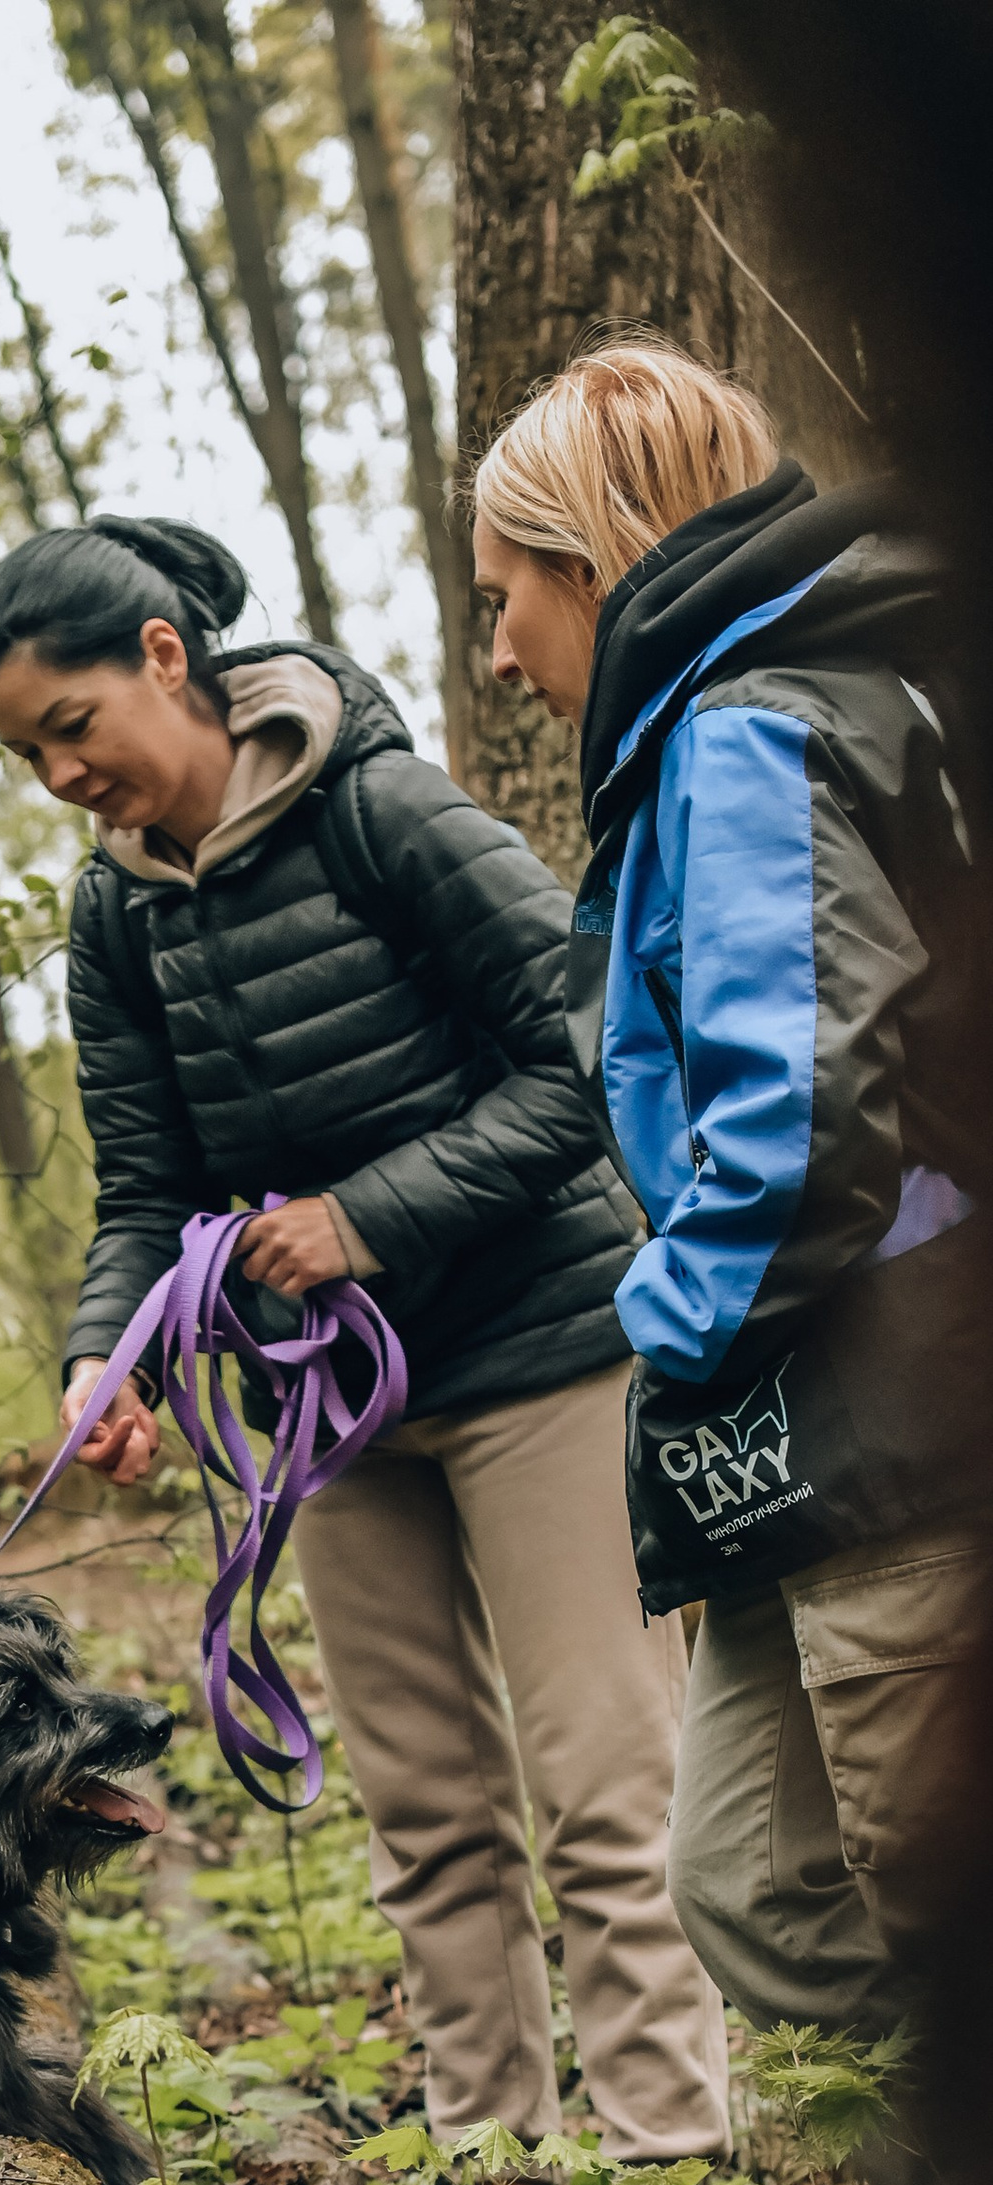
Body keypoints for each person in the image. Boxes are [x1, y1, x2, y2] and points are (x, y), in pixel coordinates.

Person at [0, 513, 729, 2185]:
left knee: (609, 1790)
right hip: (339, 1422)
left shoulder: (385, 809)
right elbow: (142, 1182)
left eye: (73, 724)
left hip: (544, 1355)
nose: (64, 776)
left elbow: (588, 1055)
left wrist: (364, 1218)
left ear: (167, 658)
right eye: (25, 756)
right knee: (430, 1816)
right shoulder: (112, 914)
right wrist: (109, 1354)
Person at [470, 341, 980, 2040]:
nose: (497, 648)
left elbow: (802, 1115)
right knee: (752, 1883)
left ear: (589, 564)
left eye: (503, 596)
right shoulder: (738, 723)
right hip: (817, 1417)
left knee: (921, 1908)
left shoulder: (754, 731)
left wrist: (664, 1328)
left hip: (897, 1403)